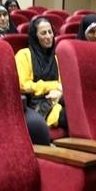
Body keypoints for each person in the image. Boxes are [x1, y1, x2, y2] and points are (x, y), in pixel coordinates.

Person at [15, 17, 66, 145]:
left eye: (50, 32)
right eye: (43, 33)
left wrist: (59, 92)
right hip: (35, 104)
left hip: (56, 100)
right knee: (71, 118)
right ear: (35, 36)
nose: (48, 36)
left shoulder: (55, 58)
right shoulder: (24, 55)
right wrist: (52, 86)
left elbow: (62, 84)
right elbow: (23, 85)